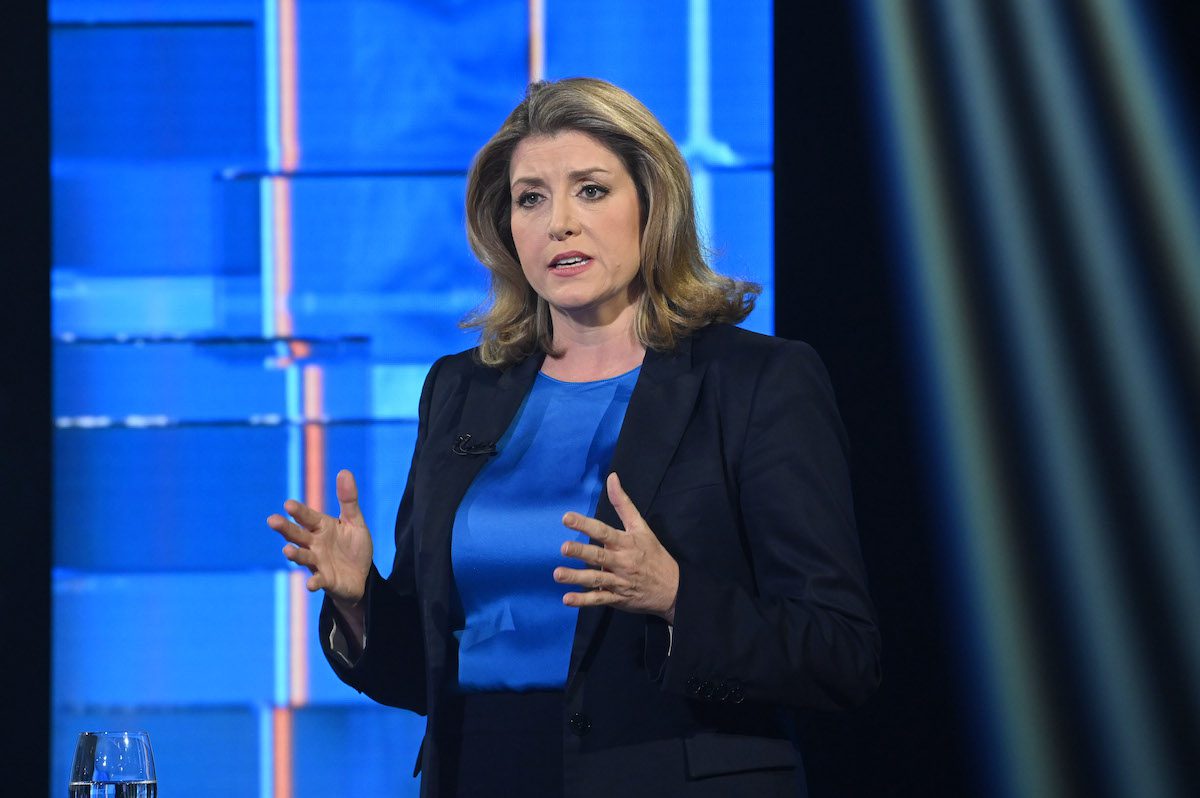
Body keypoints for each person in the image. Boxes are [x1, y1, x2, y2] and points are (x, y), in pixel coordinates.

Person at [267, 77, 879, 797]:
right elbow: (429, 672)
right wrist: (358, 601)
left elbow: (839, 653)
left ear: (652, 206)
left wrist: (677, 596)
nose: (559, 222)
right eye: (532, 197)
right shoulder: (462, 389)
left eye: (590, 190)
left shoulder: (755, 382)